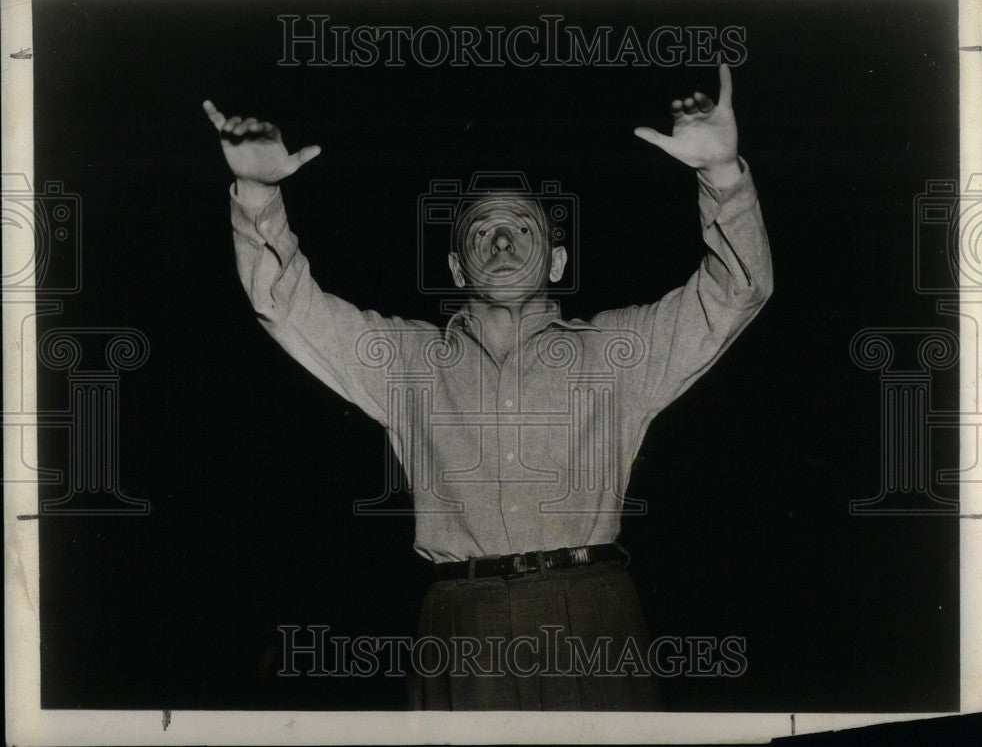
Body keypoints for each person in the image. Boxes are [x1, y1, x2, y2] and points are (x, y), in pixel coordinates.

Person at [204, 63, 772, 711]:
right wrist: (257, 194)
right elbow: (287, 305)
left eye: (523, 229)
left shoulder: (621, 352)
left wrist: (722, 176)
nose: (501, 240)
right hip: (460, 627)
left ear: (556, 260)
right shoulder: (405, 360)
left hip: (590, 616)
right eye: (481, 232)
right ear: (456, 265)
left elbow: (738, 290)